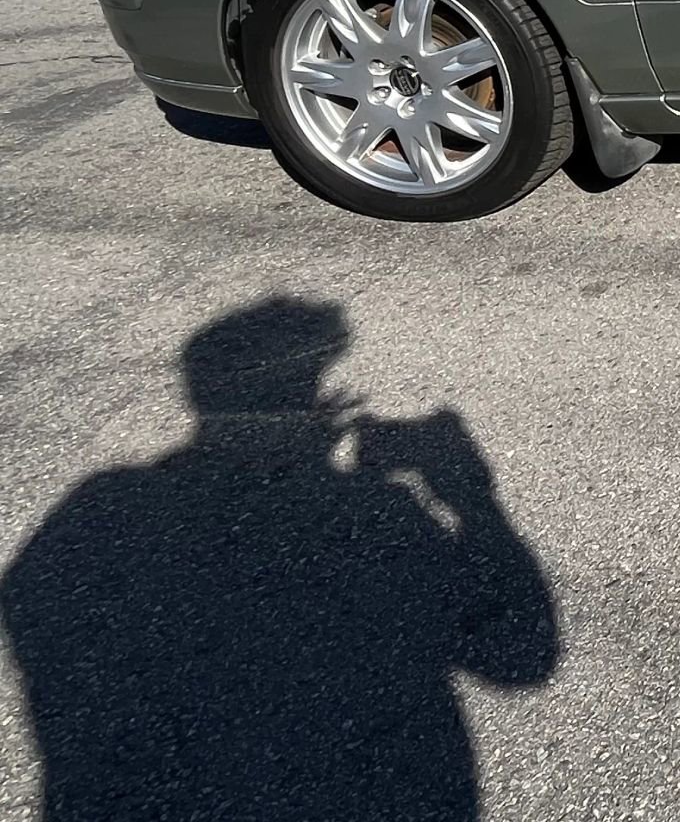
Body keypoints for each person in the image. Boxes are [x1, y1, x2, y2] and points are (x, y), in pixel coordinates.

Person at [1, 297, 558, 821]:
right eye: (316, 382)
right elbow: (518, 660)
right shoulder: (378, 510)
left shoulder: (103, 505)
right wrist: (471, 496)